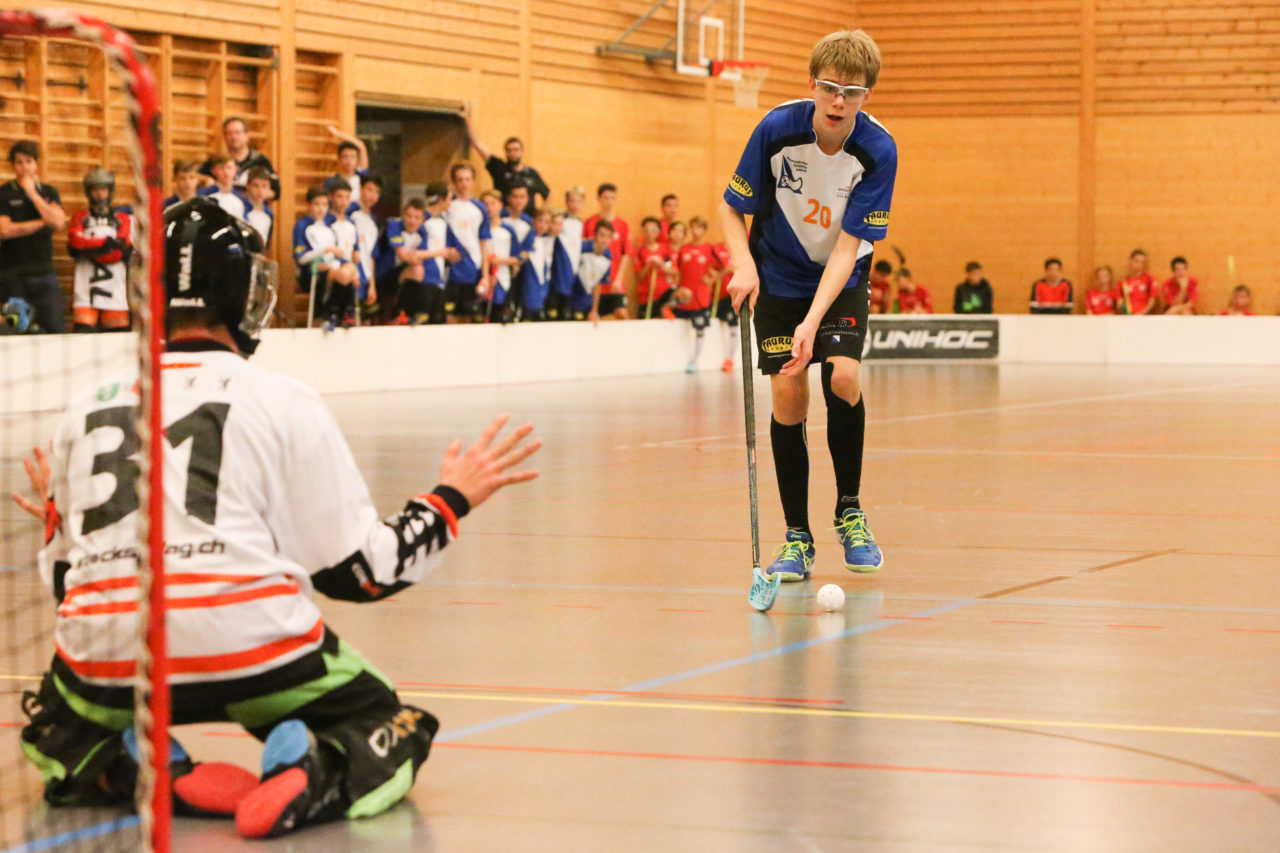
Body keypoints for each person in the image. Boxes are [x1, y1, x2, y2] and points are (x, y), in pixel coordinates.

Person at [12, 196, 541, 840]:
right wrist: (451, 499)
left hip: (115, 665)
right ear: (240, 294)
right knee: (390, 720)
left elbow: (70, 589)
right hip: (255, 652)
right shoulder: (283, 399)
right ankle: (319, 771)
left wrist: (54, 524)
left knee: (53, 729)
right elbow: (359, 575)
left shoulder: (82, 409)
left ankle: (137, 771)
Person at [722, 29, 895, 581]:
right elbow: (732, 208)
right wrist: (744, 265)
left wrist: (812, 322)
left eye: (852, 91)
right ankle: (797, 535)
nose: (838, 101)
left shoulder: (877, 150)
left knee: (843, 376)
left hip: (839, 279)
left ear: (867, 95)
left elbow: (848, 247)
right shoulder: (776, 129)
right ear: (812, 86)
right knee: (788, 391)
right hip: (775, 274)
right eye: (829, 88)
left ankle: (850, 510)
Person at [0, 140, 68, 333]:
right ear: (13, 166)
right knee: (16, 329)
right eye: (19, 162)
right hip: (13, 274)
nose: (24, 167)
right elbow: (5, 231)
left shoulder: (48, 192)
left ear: (36, 164)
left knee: (56, 328)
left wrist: (32, 194)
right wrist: (43, 222)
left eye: (29, 161)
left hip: (44, 272)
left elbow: (59, 222)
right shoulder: (4, 193)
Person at [67, 168, 133, 332]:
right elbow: (75, 243)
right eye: (95, 189)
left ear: (110, 191)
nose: (99, 194)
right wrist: (105, 245)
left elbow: (121, 250)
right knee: (83, 338)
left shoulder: (122, 219)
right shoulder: (79, 217)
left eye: (103, 189)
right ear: (88, 192)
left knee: (118, 340)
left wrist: (90, 247)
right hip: (86, 289)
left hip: (114, 290)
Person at [671, 216, 723, 371]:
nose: (696, 231)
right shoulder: (684, 249)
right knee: (680, 328)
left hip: (701, 298)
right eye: (693, 227)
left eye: (699, 228)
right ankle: (678, 360)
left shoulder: (709, 249)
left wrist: (712, 278)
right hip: (684, 297)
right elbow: (677, 271)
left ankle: (694, 361)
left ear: (705, 230)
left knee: (699, 329)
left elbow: (722, 267)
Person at [442, 163, 490, 324]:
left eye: (467, 179)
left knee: (468, 316)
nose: (464, 184)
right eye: (460, 180)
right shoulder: (447, 206)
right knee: (449, 316)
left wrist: (485, 276)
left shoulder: (480, 208)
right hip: (451, 269)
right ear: (454, 183)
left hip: (473, 268)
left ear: (473, 181)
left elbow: (483, 243)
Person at [469, 131, 549, 216]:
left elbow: (547, 195)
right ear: (505, 152)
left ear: (522, 151)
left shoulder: (532, 173)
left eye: (516, 150)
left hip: (528, 219)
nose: (512, 153)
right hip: (504, 217)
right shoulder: (499, 168)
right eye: (509, 150)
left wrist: (541, 218)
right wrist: (467, 121)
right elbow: (477, 144)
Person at [200, 117, 279, 199]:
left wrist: (257, 194)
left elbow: (276, 191)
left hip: (251, 208)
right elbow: (196, 176)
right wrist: (206, 179)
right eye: (230, 133)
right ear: (225, 137)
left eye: (237, 133)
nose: (234, 137)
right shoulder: (217, 161)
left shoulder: (260, 161)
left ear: (247, 135)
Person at [582, 183, 632, 293]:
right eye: (605, 198)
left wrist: (619, 279)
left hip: (614, 279)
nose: (609, 201)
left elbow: (626, 254)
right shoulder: (589, 223)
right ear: (599, 199)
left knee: (621, 311)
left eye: (612, 198)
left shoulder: (622, 225)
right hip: (593, 278)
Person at [480, 190, 521, 323]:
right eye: (486, 204)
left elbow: (517, 258)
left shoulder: (508, 229)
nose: (489, 207)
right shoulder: (479, 228)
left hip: (503, 278)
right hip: (483, 278)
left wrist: (498, 261)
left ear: (500, 205)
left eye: (493, 203)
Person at [349, 174, 383, 313]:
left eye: (376, 192)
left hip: (366, 278)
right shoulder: (351, 215)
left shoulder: (373, 222)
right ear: (361, 190)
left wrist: (372, 285)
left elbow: (371, 256)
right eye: (369, 189)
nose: (372, 195)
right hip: (352, 274)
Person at [635, 216, 676, 319]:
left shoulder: (665, 249)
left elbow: (672, 271)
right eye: (647, 230)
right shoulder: (639, 252)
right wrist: (648, 265)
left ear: (658, 232)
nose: (650, 233)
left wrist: (661, 265)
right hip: (646, 297)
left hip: (663, 296)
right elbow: (639, 277)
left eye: (653, 230)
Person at [581, 220, 619, 325]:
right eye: (602, 235)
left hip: (586, 301)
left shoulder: (607, 255)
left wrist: (594, 311)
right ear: (595, 235)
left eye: (608, 236)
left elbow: (598, 284)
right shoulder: (583, 248)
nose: (605, 240)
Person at [711, 240, 740, 372]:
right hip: (719, 293)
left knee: (733, 326)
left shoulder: (740, 250)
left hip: (734, 293)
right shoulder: (717, 249)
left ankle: (730, 358)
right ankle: (720, 357)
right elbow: (712, 268)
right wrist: (721, 272)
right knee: (720, 325)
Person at [522, 209, 555, 321]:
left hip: (543, 282)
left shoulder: (549, 240)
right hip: (530, 280)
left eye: (546, 222)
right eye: (540, 221)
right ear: (534, 221)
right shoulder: (529, 237)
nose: (542, 225)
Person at [197, 154, 250, 220]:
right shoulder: (203, 195)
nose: (226, 172)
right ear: (213, 170)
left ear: (235, 169)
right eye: (221, 168)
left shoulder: (241, 199)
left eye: (229, 168)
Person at [324, 126, 370, 200]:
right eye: (345, 157)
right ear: (339, 160)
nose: (349, 160)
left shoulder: (362, 177)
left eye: (352, 157)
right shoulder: (331, 182)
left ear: (357, 160)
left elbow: (361, 146)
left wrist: (339, 134)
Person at [1117, 248, 1157, 315]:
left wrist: (1142, 313)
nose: (1139, 265)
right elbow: (1119, 302)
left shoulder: (1149, 279)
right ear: (1130, 261)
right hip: (1128, 317)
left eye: (1142, 262)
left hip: (1144, 316)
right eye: (1136, 261)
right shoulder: (1122, 281)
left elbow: (1152, 300)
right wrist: (1125, 311)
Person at [243, 167, 274, 250]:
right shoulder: (241, 209)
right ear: (248, 185)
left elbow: (266, 245)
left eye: (264, 186)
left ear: (269, 188)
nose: (260, 190)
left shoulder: (269, 214)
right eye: (256, 186)